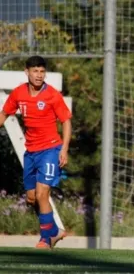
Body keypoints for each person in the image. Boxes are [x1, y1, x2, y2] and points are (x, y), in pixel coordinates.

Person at [0, 56, 72, 249]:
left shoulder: (52, 96)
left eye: (42, 71)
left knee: (42, 194)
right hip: (30, 152)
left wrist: (64, 149)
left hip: (50, 150)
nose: (39, 75)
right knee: (32, 198)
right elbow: (5, 113)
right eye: (35, 71)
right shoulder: (18, 93)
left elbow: (66, 122)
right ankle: (54, 231)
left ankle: (45, 238)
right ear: (27, 72)